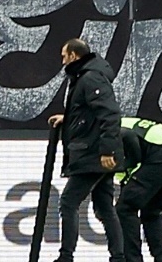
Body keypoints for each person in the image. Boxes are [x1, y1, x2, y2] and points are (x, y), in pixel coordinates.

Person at [49, 38, 126, 262]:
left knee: (68, 203)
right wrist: (69, 118)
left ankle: (66, 256)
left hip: (92, 154)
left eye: (64, 56)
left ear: (74, 55)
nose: (62, 61)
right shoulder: (86, 76)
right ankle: (118, 257)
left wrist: (107, 151)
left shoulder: (89, 77)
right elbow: (90, 112)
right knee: (104, 207)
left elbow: (110, 114)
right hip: (95, 152)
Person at [116, 114, 162, 262]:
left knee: (124, 208)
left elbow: (127, 137)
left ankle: (132, 259)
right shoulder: (124, 121)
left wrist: (129, 166)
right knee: (151, 211)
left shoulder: (109, 128)